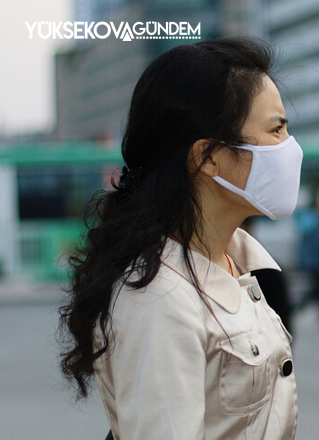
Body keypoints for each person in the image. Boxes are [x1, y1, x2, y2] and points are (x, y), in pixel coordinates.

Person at [58, 38, 300, 439]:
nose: (290, 148)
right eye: (276, 130)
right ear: (207, 157)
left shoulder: (236, 259)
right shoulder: (157, 295)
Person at [295, 185, 319, 326]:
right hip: (317, 260)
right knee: (318, 289)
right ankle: (297, 308)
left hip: (311, 259)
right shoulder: (315, 218)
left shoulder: (307, 217)